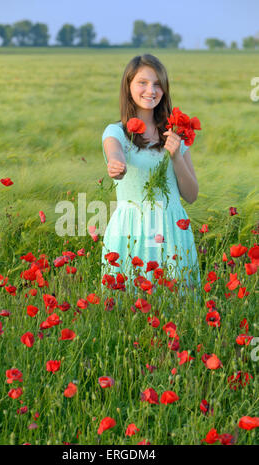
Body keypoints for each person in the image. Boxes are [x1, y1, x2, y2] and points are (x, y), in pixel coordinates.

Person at [100, 54, 201, 300]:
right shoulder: (116, 132)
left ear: (164, 90)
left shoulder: (175, 133)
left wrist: (176, 155)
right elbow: (114, 153)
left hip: (172, 228)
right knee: (129, 308)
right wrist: (117, 165)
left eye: (157, 84)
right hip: (131, 228)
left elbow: (191, 195)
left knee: (176, 309)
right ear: (129, 86)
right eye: (142, 83)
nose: (151, 90)